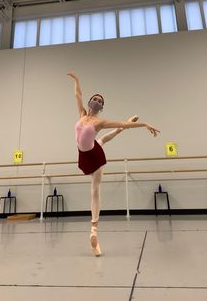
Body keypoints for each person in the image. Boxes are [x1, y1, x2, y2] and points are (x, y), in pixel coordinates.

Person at [67, 72, 160, 256]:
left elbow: (123, 126)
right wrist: (77, 80)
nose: (97, 101)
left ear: (102, 107)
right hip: (85, 153)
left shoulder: (100, 121)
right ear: (89, 102)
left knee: (94, 189)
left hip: (96, 156)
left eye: (100, 101)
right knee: (103, 140)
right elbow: (78, 95)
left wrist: (143, 124)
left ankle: (94, 230)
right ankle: (94, 235)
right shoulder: (82, 114)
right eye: (95, 98)